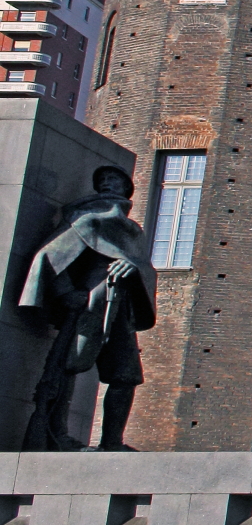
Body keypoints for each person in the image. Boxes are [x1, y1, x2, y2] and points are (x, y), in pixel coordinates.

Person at [18, 165, 154, 451]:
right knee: (69, 365)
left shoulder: (133, 231)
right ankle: (56, 434)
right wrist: (67, 292)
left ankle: (112, 441)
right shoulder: (86, 219)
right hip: (91, 302)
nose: (108, 184)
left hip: (122, 305)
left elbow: (143, 266)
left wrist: (133, 269)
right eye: (103, 180)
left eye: (114, 180)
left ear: (126, 189)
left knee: (126, 374)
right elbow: (51, 254)